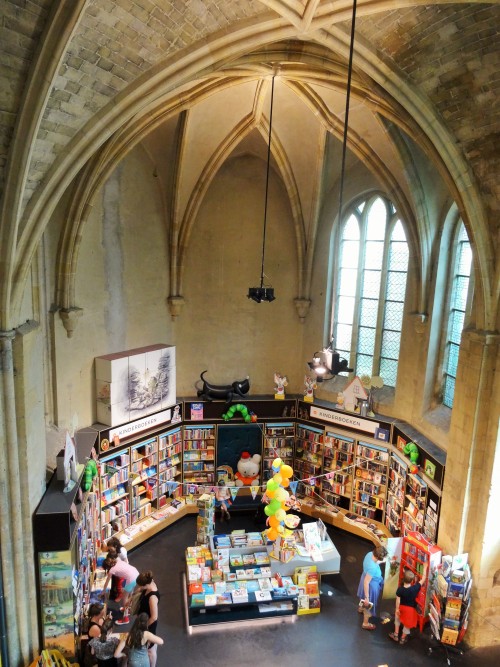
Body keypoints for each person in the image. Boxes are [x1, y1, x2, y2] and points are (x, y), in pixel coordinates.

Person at [389, 566, 427, 644]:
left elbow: (398, 600)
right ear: (412, 580)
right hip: (410, 610)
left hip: (401, 607)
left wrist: (397, 609)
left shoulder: (400, 589)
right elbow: (423, 579)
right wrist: (425, 568)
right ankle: (402, 639)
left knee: (397, 618)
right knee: (407, 624)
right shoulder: (414, 588)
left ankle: (396, 634)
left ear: (403, 579)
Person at [356, 545, 388, 630]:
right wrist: (367, 597)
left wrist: (383, 560)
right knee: (368, 604)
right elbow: (367, 582)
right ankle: (365, 623)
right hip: (371, 585)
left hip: (364, 577)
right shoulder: (373, 568)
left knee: (362, 597)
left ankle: (361, 608)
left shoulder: (369, 554)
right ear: (378, 557)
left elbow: (374, 562)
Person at [101, 556, 139, 625]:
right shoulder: (118, 560)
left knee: (124, 598)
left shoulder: (111, 570)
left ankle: (125, 618)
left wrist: (103, 592)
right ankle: (128, 609)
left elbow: (106, 583)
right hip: (136, 574)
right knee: (130, 594)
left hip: (131, 579)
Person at [135, 571, 160, 667]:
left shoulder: (152, 597)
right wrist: (131, 598)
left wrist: (143, 626)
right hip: (143, 620)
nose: (140, 587)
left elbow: (154, 617)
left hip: (148, 624)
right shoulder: (150, 583)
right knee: (150, 643)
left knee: (150, 648)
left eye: (141, 586)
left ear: (146, 584)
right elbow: (141, 589)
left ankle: (152, 665)